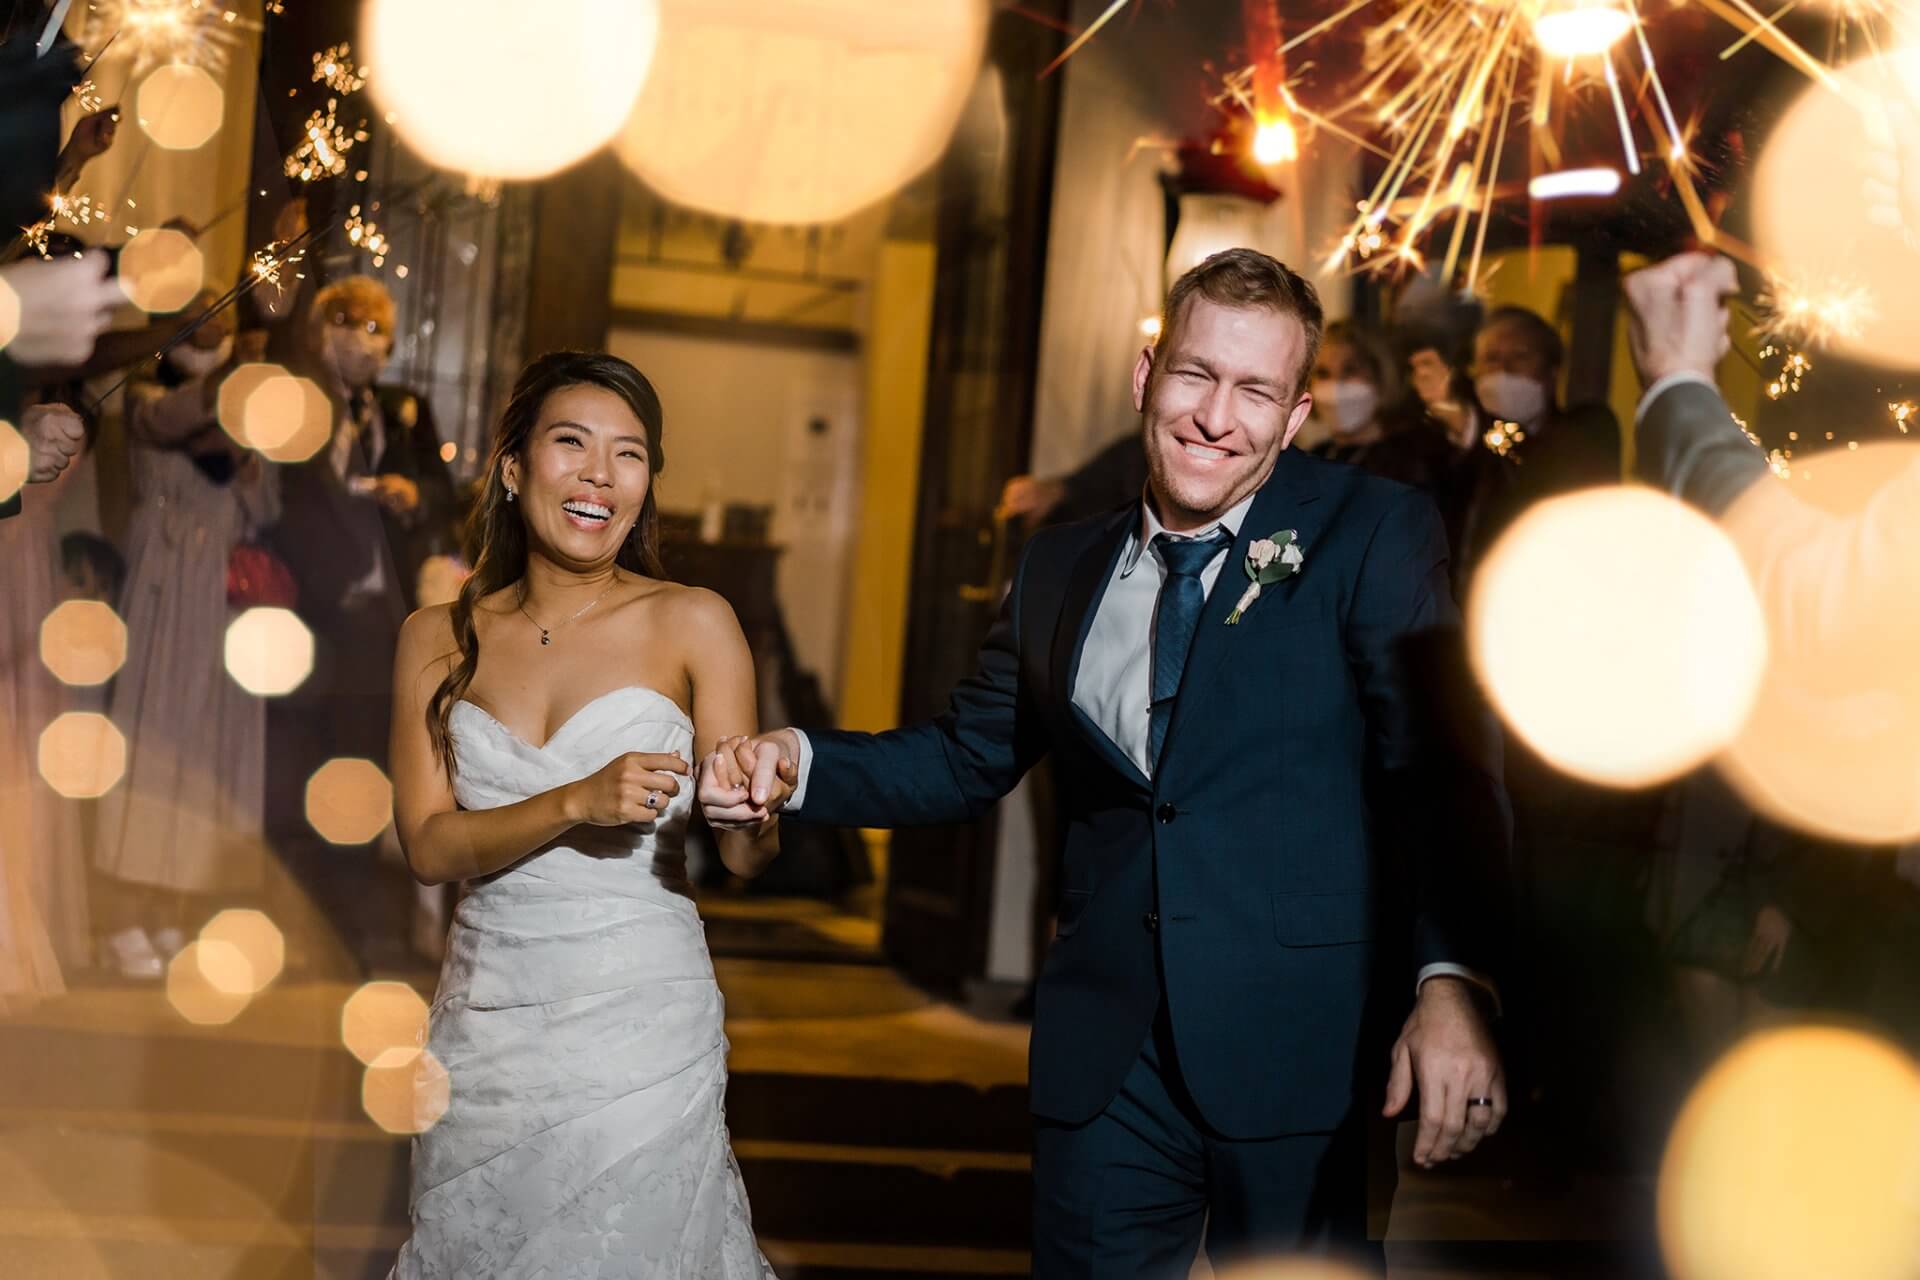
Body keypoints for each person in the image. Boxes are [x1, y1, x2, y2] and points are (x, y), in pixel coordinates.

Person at [704, 249, 1511, 1276]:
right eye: (1196, 374)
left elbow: (1441, 771)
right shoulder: (1059, 565)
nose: (1217, 415)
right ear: (1147, 375)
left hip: (1299, 1043)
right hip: (1106, 1050)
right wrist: (799, 758)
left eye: (1256, 390)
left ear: (1297, 415)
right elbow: (965, 756)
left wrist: (1450, 982)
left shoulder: (1373, 531)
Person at [385, 351, 784, 1277]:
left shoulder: (695, 621)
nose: (601, 475)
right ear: (514, 465)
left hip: (640, 1012)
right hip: (487, 1017)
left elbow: (750, 859)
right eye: (572, 444)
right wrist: (573, 800)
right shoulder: (432, 639)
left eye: (630, 454)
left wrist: (748, 813)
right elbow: (431, 845)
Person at [269, 274, 454, 971]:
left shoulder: (403, 409)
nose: (366, 344)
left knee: (365, 778)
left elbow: (443, 491)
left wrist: (413, 494)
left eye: (379, 332)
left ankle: (350, 934)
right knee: (300, 772)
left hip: (386, 624)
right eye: (351, 325)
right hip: (310, 617)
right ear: (322, 332)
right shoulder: (294, 403)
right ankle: (302, 928)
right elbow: (280, 500)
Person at [91, 300, 279, 978]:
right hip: (167, 589)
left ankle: (171, 909)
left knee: (202, 754)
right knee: (155, 738)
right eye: (201, 319)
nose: (214, 327)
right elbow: (181, 419)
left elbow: (267, 505)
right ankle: (121, 914)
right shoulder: (145, 399)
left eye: (219, 317)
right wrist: (238, 364)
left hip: (223, 596)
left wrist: (254, 460)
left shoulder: (242, 413)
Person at [1454, 305, 1621, 583]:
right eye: (1490, 358)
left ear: (1552, 371)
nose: (1503, 369)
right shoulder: (1458, 446)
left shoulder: (1585, 430)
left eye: (1520, 357)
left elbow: (1543, 468)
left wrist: (1477, 428)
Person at [1307, 319, 1454, 493]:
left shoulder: (1414, 460)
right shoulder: (1312, 458)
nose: (1336, 387)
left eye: (1350, 370)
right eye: (1323, 374)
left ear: (1381, 377)